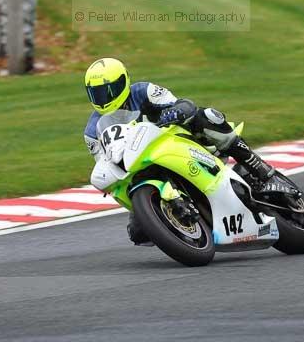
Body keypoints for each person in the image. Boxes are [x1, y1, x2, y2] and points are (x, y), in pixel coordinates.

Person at [84, 57, 276, 245]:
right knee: (138, 232)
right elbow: (105, 160)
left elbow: (183, 104)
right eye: (97, 94)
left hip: (173, 139)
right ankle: (176, 223)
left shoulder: (144, 91)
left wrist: (175, 111)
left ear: (124, 81)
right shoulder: (92, 132)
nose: (105, 98)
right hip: (139, 165)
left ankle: (258, 167)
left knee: (206, 116)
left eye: (110, 90)